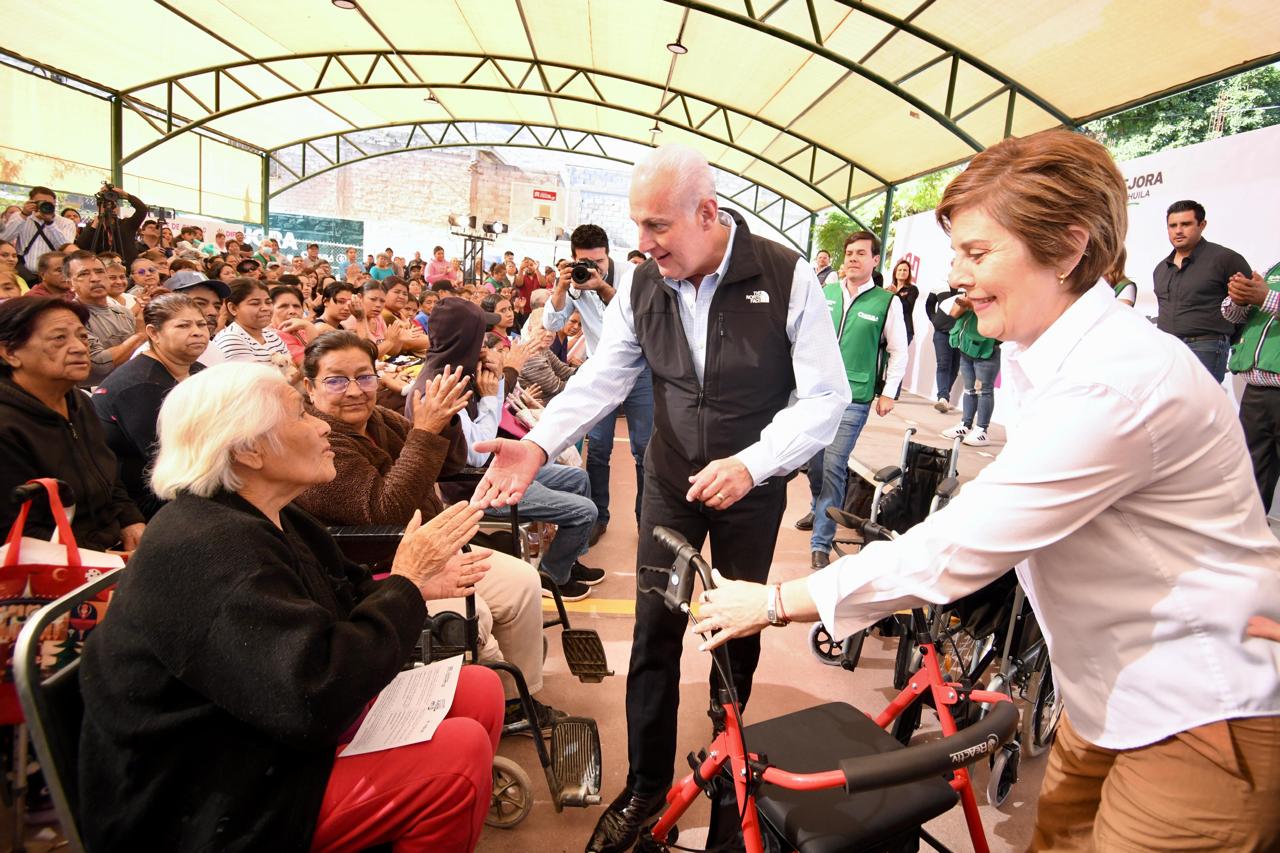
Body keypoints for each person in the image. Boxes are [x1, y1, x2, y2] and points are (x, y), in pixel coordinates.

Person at [695, 128, 1280, 852]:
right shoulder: (1051, 359)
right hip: (1109, 698)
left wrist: (774, 602)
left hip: (1198, 717)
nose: (957, 277)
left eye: (977, 253)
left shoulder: (1116, 380)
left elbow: (966, 542)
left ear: (1067, 249)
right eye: (956, 255)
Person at [472, 143, 848, 853]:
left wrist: (754, 463)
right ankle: (646, 785)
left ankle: (728, 756)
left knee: (736, 626)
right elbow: (603, 378)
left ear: (707, 213)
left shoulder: (785, 275)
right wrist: (539, 443)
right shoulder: (646, 286)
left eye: (657, 226)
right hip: (672, 483)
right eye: (636, 226)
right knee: (655, 630)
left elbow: (828, 395)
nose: (642, 244)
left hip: (751, 487)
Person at [78, 362, 502, 851]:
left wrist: (416, 587)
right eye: (300, 414)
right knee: (456, 761)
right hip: (206, 793)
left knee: (478, 689)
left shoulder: (269, 515)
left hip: (265, 736)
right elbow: (314, 695)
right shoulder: (208, 548)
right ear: (248, 449)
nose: (321, 425)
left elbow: (340, 598)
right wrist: (405, 581)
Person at [294, 332, 562, 726]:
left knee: (523, 582)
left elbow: (449, 464)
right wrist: (424, 432)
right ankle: (484, 703)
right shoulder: (318, 441)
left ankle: (515, 701)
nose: (354, 391)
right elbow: (384, 512)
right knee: (475, 613)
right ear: (310, 386)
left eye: (364, 377)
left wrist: (445, 420)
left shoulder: (379, 420)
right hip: (380, 570)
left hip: (434, 549)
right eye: (336, 380)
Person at [408, 298, 602, 602]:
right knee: (585, 511)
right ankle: (552, 576)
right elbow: (476, 452)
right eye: (480, 335)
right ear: (465, 339)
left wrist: (498, 381)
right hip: (478, 485)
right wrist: (490, 394)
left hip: (493, 470)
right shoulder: (439, 386)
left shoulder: (461, 371)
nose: (486, 344)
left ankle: (568, 560)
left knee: (578, 479)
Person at [0, 296, 145, 551]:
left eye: (82, 336)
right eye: (59, 338)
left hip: (107, 544)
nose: (79, 347)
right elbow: (18, 530)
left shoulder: (79, 401)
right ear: (10, 353)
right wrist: (106, 557)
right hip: (53, 560)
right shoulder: (6, 425)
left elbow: (107, 475)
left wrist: (130, 519)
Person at [798, 231, 907, 568]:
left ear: (875, 260)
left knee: (834, 464)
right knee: (815, 464)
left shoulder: (887, 302)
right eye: (849, 253)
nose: (853, 258)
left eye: (861, 253)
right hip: (816, 393)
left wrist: (888, 392)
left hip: (854, 397)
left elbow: (899, 350)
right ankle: (819, 507)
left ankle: (821, 540)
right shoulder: (826, 293)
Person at [543, 224, 654, 545]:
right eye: (586, 262)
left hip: (639, 369)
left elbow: (637, 319)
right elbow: (552, 323)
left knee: (644, 449)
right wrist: (561, 287)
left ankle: (645, 520)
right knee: (599, 448)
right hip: (600, 371)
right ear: (574, 258)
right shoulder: (573, 281)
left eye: (599, 262)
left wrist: (602, 286)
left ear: (608, 254)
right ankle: (597, 517)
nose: (593, 268)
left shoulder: (633, 275)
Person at [92, 293, 208, 517]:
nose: (197, 332)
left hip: (188, 475)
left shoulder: (197, 370)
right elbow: (167, 459)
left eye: (201, 324)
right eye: (183, 325)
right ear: (154, 333)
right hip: (143, 496)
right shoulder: (141, 385)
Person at [1153, 199, 1251, 383]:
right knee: (1170, 400)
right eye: (1173, 225)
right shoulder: (1161, 269)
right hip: (1167, 348)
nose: (1178, 231)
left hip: (1206, 345)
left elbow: (1249, 306)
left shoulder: (1225, 259)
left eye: (1186, 224)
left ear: (1202, 225)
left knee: (1200, 401)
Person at [1224, 261, 1280, 514]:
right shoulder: (1272, 270)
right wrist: (1239, 299)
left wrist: (1266, 298)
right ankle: (1250, 532)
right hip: (1256, 392)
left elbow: (1266, 300)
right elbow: (1230, 315)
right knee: (1249, 474)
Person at [63, 250, 147, 386]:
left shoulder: (123, 312)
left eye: (100, 271)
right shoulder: (71, 316)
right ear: (70, 284)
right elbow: (100, 364)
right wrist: (140, 335)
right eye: (83, 274)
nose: (95, 278)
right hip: (96, 391)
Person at [938, 292, 1000, 446]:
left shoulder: (996, 292)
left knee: (984, 390)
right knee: (969, 389)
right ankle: (965, 425)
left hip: (985, 347)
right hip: (966, 345)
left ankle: (981, 430)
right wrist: (965, 302)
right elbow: (953, 313)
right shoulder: (969, 291)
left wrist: (972, 305)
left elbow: (995, 313)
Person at [212, 278, 293, 365]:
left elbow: (291, 369)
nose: (265, 308)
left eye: (268, 302)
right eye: (255, 303)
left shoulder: (272, 336)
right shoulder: (231, 340)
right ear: (233, 308)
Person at [1, 186, 76, 272]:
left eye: (49, 203)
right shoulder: (20, 217)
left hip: (52, 273)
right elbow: (3, 239)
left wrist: (50, 223)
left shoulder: (66, 223)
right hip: (23, 272)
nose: (44, 205)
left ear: (55, 204)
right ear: (31, 202)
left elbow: (67, 249)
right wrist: (24, 215)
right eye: (40, 202)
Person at [74, 188, 148, 265]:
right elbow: (82, 246)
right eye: (105, 205)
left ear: (118, 208)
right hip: (103, 268)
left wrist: (125, 194)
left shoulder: (126, 224)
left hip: (127, 267)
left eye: (113, 205)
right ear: (98, 207)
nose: (110, 208)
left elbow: (142, 210)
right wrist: (96, 223)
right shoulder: (93, 227)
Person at [269, 284, 316, 365]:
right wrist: (310, 327)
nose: (292, 311)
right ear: (270, 310)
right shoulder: (273, 337)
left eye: (296, 306)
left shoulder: (302, 330)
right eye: (283, 306)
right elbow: (315, 364)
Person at [887, 258, 920, 345]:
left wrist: (896, 294)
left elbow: (908, 307)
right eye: (900, 270)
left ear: (909, 273)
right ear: (895, 272)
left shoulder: (912, 289)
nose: (902, 272)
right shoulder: (888, 289)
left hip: (904, 329)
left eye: (905, 270)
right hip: (888, 327)